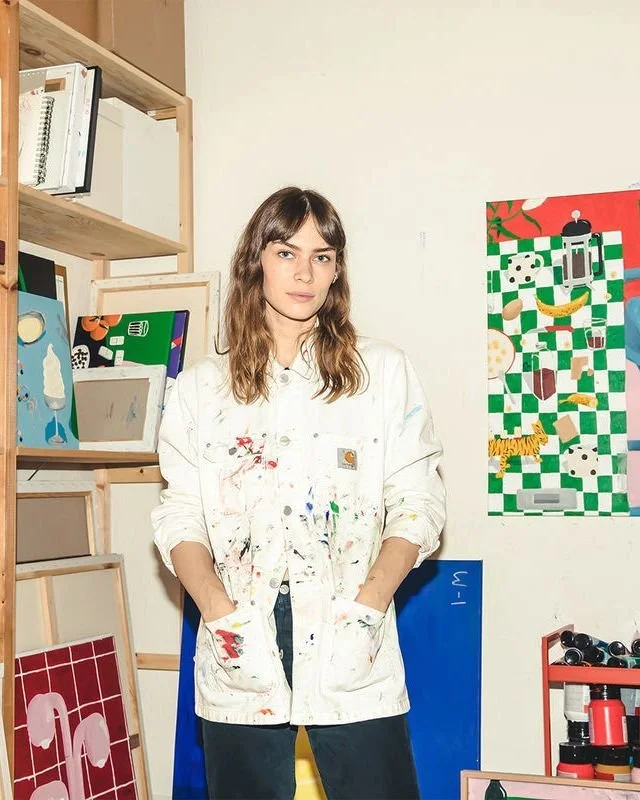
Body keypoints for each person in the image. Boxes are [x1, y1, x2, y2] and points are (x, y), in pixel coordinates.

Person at [151, 187, 446, 800]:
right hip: (242, 635)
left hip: (349, 632)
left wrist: (368, 604)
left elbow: (418, 504)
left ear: (337, 270)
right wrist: (220, 614)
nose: (305, 273)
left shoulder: (382, 374)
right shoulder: (200, 390)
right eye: (287, 253)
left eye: (322, 256)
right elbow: (180, 517)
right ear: (256, 260)